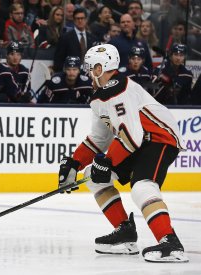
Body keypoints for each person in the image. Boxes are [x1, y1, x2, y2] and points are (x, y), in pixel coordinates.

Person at [58, 43, 188, 263]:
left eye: (92, 67)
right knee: (94, 177)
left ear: (102, 67)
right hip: (140, 141)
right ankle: (125, 233)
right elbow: (100, 138)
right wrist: (74, 163)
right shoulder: (100, 96)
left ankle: (170, 242)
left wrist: (107, 161)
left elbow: (132, 135)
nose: (89, 72)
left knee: (142, 185)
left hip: (160, 138)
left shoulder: (119, 88)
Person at [53, 8, 98, 72]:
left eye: (82, 18)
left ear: (86, 20)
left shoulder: (93, 38)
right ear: (74, 20)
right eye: (77, 18)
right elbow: (58, 59)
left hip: (89, 75)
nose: (80, 21)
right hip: (71, 75)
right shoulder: (65, 37)